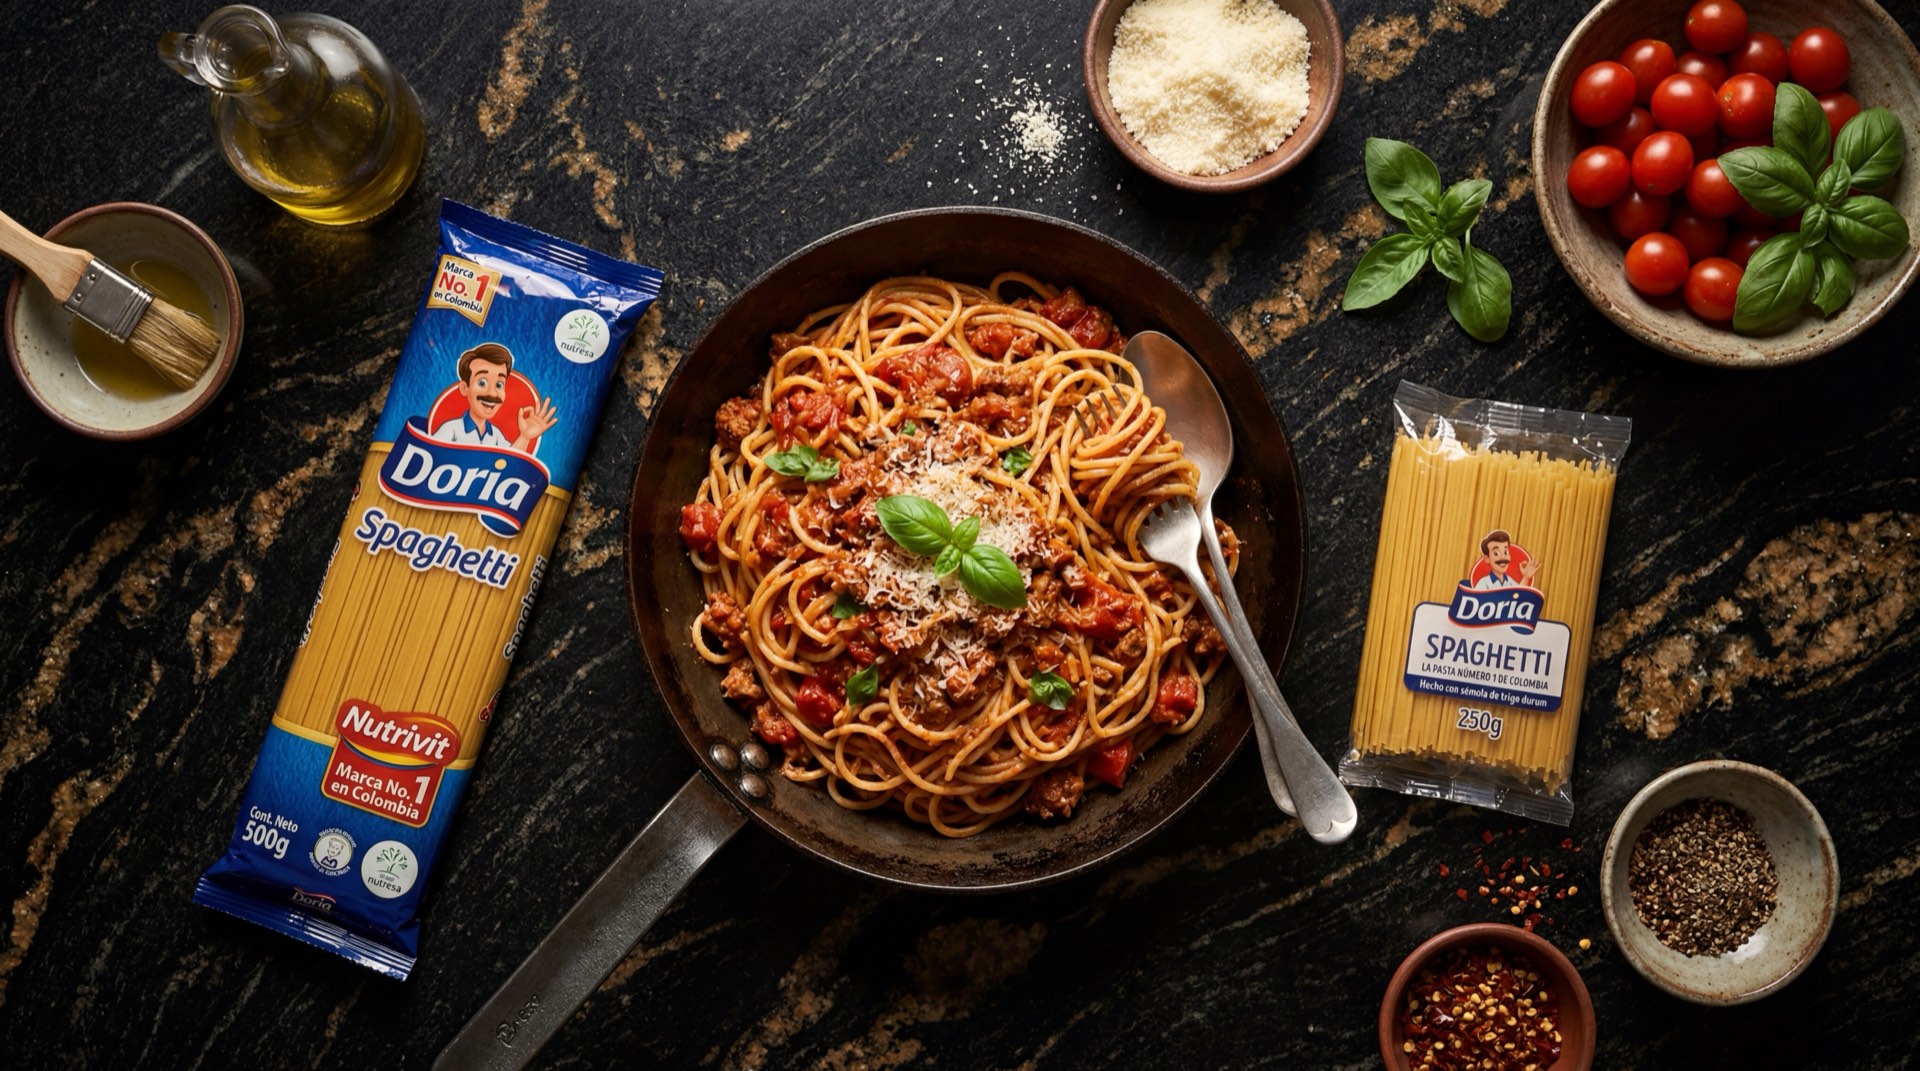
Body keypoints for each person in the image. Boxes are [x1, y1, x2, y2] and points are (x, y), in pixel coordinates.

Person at [431, 342, 558, 456]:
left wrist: (525, 436)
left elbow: (509, 461)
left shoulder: (495, 435)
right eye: (482, 382)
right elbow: (430, 458)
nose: (492, 393)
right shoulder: (451, 430)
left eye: (499, 385)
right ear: (465, 388)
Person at [1473, 529, 1539, 589]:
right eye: (1496, 553)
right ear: (1487, 558)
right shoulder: (1484, 583)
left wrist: (1526, 577)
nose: (1503, 557)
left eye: (1505, 552)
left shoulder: (1509, 581)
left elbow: (1519, 593)